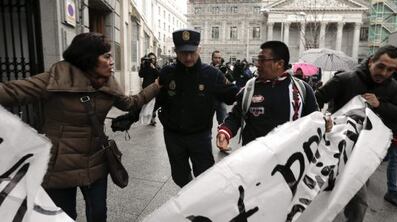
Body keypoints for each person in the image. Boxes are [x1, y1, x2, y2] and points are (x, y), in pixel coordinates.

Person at [0, 33, 160, 222]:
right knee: (65, 216)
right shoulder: (54, 78)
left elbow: (131, 103)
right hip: (60, 164)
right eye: (106, 56)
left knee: (98, 213)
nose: (111, 61)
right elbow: (10, 92)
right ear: (89, 59)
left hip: (96, 158)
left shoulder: (109, 82)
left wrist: (156, 86)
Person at [315, 45, 397, 220]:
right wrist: (323, 118)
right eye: (381, 66)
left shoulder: (395, 89)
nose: (384, 73)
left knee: (358, 202)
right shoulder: (344, 80)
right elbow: (314, 100)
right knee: (319, 195)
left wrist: (380, 105)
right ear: (371, 61)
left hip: (362, 155)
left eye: (390, 69)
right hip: (332, 150)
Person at [155, 29, 239, 187]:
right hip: (173, 137)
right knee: (179, 177)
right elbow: (156, 100)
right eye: (183, 53)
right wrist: (132, 115)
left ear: (199, 50)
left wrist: (255, 89)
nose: (188, 57)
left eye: (192, 52)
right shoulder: (167, 73)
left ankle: (200, 205)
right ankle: (188, 197)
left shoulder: (212, 75)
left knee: (205, 177)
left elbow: (233, 95)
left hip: (199, 137)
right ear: (176, 52)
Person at [216, 41, 318, 149]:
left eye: (262, 60)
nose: (257, 64)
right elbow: (235, 116)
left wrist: (326, 123)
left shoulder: (302, 90)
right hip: (253, 158)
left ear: (279, 64)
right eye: (257, 60)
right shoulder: (250, 88)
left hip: (288, 159)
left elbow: (315, 121)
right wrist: (225, 132)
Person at [139, 52, 160, 125]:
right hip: (145, 88)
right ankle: (146, 117)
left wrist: (154, 68)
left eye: (153, 59)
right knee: (147, 104)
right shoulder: (145, 66)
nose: (152, 60)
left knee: (153, 104)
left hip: (153, 88)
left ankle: (153, 118)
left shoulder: (156, 67)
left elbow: (159, 74)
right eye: (150, 59)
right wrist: (142, 64)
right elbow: (140, 75)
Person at [211, 50, 229, 124]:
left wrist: (224, 75)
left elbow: (230, 82)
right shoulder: (208, 69)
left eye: (219, 58)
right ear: (212, 58)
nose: (218, 60)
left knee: (222, 123)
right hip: (210, 99)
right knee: (206, 123)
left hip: (221, 99)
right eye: (215, 58)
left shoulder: (225, 69)